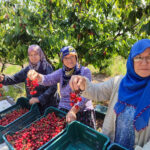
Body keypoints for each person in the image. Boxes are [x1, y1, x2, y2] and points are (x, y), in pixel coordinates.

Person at [69, 39, 150, 150]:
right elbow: (97, 91)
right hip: (110, 145)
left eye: (149, 57)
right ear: (131, 60)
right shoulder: (119, 83)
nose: (144, 62)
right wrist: (83, 83)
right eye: (138, 57)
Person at [27, 46, 96, 129]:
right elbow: (47, 79)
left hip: (83, 110)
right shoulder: (61, 72)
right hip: (65, 109)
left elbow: (86, 94)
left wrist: (73, 110)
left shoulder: (85, 71)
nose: (69, 60)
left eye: (72, 57)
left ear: (76, 57)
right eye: (66, 58)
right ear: (62, 60)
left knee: (87, 137)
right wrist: (37, 76)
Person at [0, 44, 59, 114]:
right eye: (31, 55)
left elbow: (53, 87)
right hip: (34, 105)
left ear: (40, 54)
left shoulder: (47, 68)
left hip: (49, 105)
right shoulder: (27, 69)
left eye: (36, 54)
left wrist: (39, 99)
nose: (33, 57)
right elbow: (15, 78)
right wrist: (3, 78)